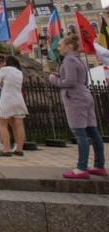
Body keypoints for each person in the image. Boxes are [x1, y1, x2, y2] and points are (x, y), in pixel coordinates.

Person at [49, 34, 106, 179]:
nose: (58, 47)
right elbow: (82, 79)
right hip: (85, 95)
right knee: (93, 131)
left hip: (75, 99)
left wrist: (54, 79)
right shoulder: (79, 60)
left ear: (69, 47)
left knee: (80, 134)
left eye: (60, 45)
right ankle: (99, 165)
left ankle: (81, 168)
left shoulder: (68, 60)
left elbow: (70, 82)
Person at [0, 56, 27, 157]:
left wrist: (2, 84)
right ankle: (19, 149)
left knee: (2, 123)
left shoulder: (4, 69)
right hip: (19, 99)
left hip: (7, 99)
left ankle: (6, 149)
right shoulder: (19, 72)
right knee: (19, 124)